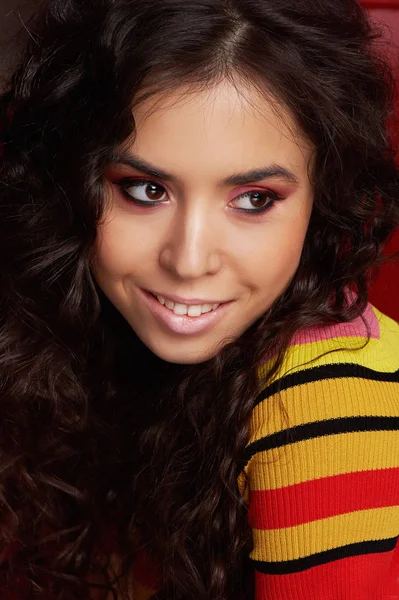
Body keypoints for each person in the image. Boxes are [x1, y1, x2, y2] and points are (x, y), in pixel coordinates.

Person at [0, 0, 399, 598]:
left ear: (323, 194)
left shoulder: (327, 390)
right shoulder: (80, 332)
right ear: (72, 183)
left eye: (254, 200)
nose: (189, 261)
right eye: (144, 189)